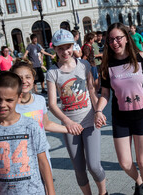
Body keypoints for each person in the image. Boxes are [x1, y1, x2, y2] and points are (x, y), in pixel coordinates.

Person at [95, 22, 143, 195]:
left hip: (142, 114)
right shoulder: (107, 65)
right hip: (120, 117)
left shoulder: (140, 57)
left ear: (126, 39)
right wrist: (98, 111)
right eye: (111, 40)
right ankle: (139, 180)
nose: (115, 43)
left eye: (118, 38)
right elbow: (105, 94)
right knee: (125, 163)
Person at [46, 29, 107, 195]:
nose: (65, 52)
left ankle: (103, 192)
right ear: (55, 50)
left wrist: (98, 111)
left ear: (73, 46)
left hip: (89, 121)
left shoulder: (83, 65)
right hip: (70, 126)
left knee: (94, 165)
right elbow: (52, 104)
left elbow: (92, 91)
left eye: (68, 47)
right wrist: (68, 122)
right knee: (79, 169)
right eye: (60, 48)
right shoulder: (52, 72)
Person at [0, 72, 55, 195]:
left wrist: (51, 192)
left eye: (9, 100)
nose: (2, 104)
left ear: (19, 98)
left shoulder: (32, 126)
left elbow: (43, 162)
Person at [10, 59, 82, 169]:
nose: (24, 81)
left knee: (47, 185)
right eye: (19, 78)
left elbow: (46, 124)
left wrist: (70, 128)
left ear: (33, 79)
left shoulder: (40, 100)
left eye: (27, 77)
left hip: (42, 154)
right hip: (19, 159)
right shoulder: (9, 105)